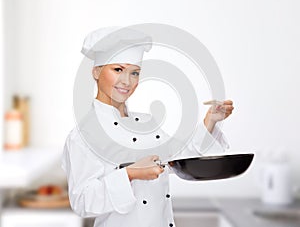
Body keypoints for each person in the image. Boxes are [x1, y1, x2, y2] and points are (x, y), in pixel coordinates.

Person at [61, 27, 234, 227]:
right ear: (97, 72)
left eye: (134, 73)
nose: (127, 81)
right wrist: (131, 173)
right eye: (118, 69)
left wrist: (210, 120)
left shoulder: (145, 123)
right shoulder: (83, 135)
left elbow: (179, 158)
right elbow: (82, 201)